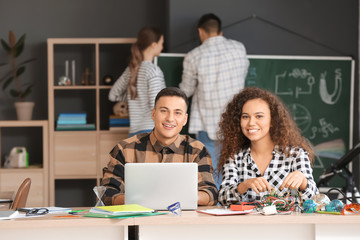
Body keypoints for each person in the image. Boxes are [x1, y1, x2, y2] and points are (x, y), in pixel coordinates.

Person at [101, 87, 218, 206]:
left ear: (185, 119)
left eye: (177, 113)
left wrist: (179, 198)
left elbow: (211, 194)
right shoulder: (124, 149)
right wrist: (145, 200)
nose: (170, 118)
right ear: (153, 114)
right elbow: (107, 194)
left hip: (182, 222)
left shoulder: (197, 150)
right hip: (139, 222)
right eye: (164, 111)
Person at [179, 13, 249, 188]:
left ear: (201, 32)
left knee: (210, 174)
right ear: (220, 31)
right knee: (238, 172)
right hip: (237, 121)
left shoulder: (194, 56)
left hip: (207, 124)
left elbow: (185, 91)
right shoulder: (239, 48)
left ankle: (213, 209)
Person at [217, 87, 319, 206]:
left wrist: (303, 181)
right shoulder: (234, 157)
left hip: (286, 224)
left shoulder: (295, 154)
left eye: (259, 116)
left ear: (273, 120)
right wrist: (244, 185)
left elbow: (314, 199)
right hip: (247, 224)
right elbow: (223, 197)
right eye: (245, 117)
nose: (251, 123)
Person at [109, 26, 166, 137]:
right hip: (151, 131)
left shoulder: (130, 70)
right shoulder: (154, 71)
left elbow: (112, 95)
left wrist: (133, 99)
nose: (162, 47)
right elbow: (158, 105)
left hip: (134, 132)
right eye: (161, 43)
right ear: (154, 45)